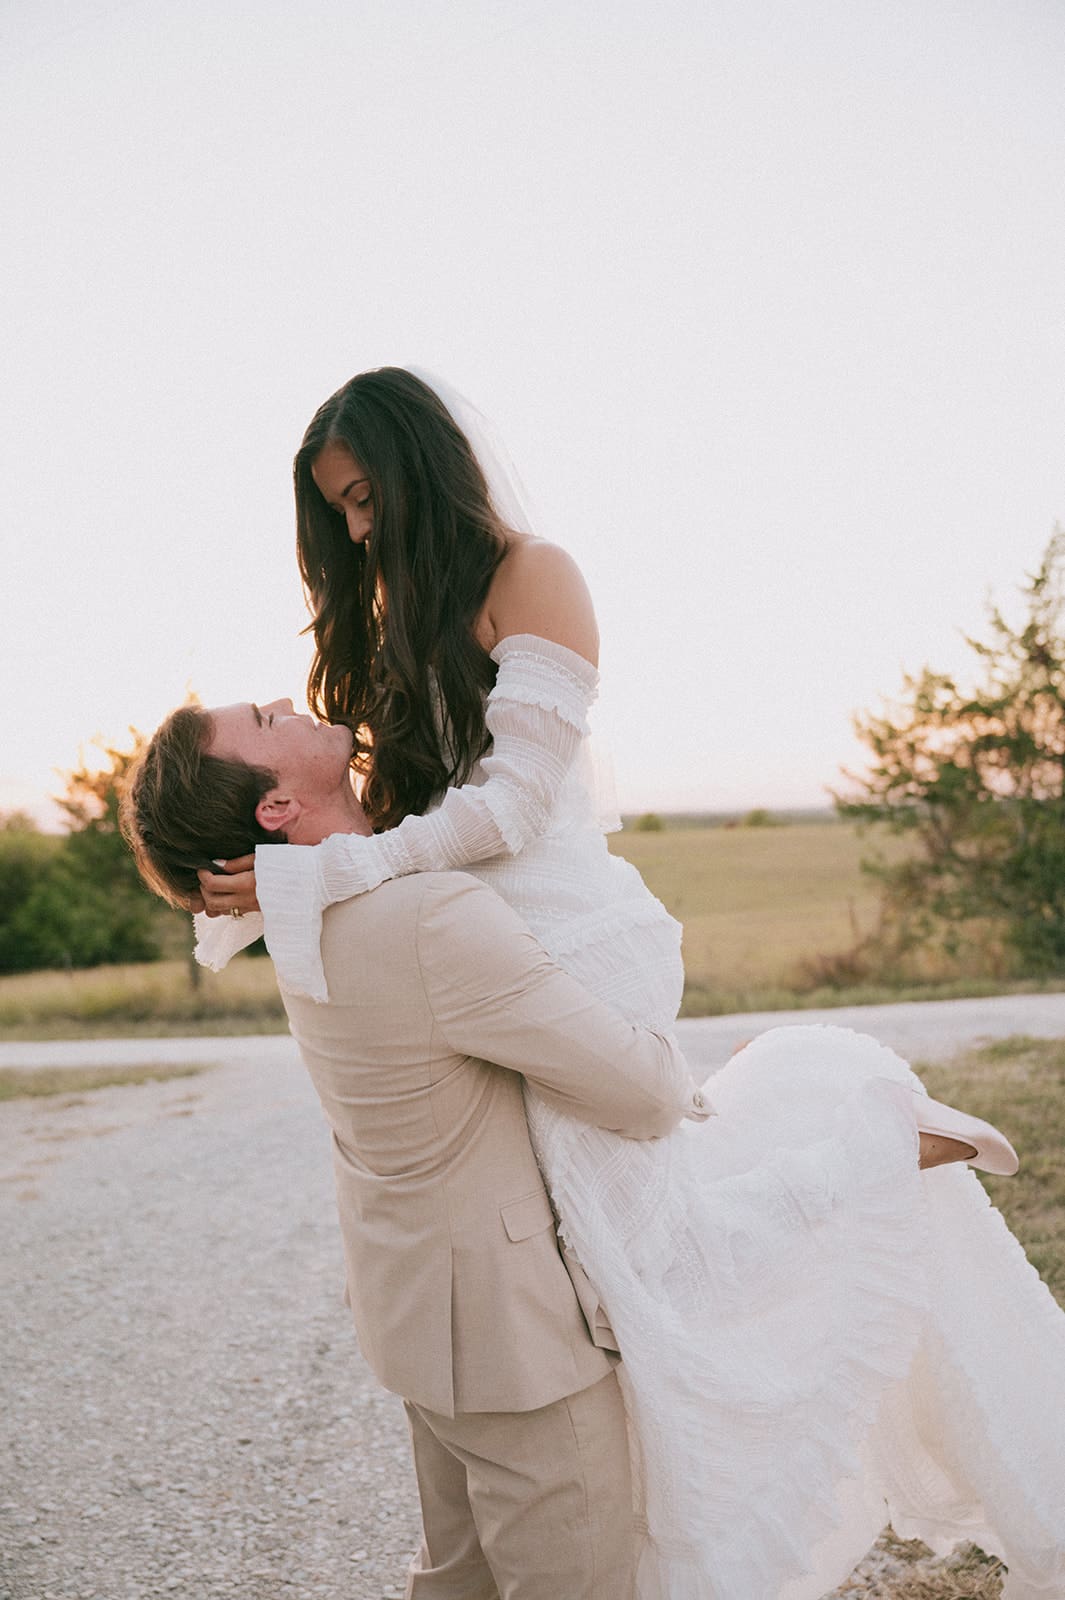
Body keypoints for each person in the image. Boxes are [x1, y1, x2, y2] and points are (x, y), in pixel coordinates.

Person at [191, 369, 1065, 1598]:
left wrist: (346, 865)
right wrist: (263, 878)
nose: (355, 532)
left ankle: (874, 1146)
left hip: (563, 941)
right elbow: (363, 816)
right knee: (594, 1269)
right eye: (336, 512)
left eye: (365, 499)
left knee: (651, 1251)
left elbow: (510, 804)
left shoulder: (535, 576)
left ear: (421, 466)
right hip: (472, 951)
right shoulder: (396, 615)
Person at [123, 697, 714, 1600]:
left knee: (460, 1579)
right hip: (512, 1339)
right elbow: (645, 1093)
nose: (287, 702)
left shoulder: (300, 917)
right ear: (274, 808)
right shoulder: (425, 916)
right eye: (264, 720)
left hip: (419, 1313)